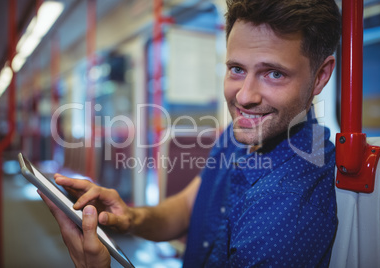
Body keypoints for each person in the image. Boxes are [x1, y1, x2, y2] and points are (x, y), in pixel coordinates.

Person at [40, 0, 341, 266]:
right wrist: (130, 217)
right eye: (237, 69)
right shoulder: (237, 136)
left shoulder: (288, 209)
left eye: (274, 74)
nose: (244, 96)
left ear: (320, 77)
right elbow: (187, 207)